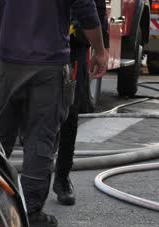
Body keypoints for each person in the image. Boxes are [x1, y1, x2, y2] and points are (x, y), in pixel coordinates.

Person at [0, 0, 108, 227]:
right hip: (49, 64)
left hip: (8, 63)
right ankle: (30, 210)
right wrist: (100, 51)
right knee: (40, 137)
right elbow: (86, 7)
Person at [53, 0, 109, 206]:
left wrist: (101, 49)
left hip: (73, 46)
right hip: (38, 43)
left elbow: (97, 7)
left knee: (71, 112)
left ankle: (62, 178)